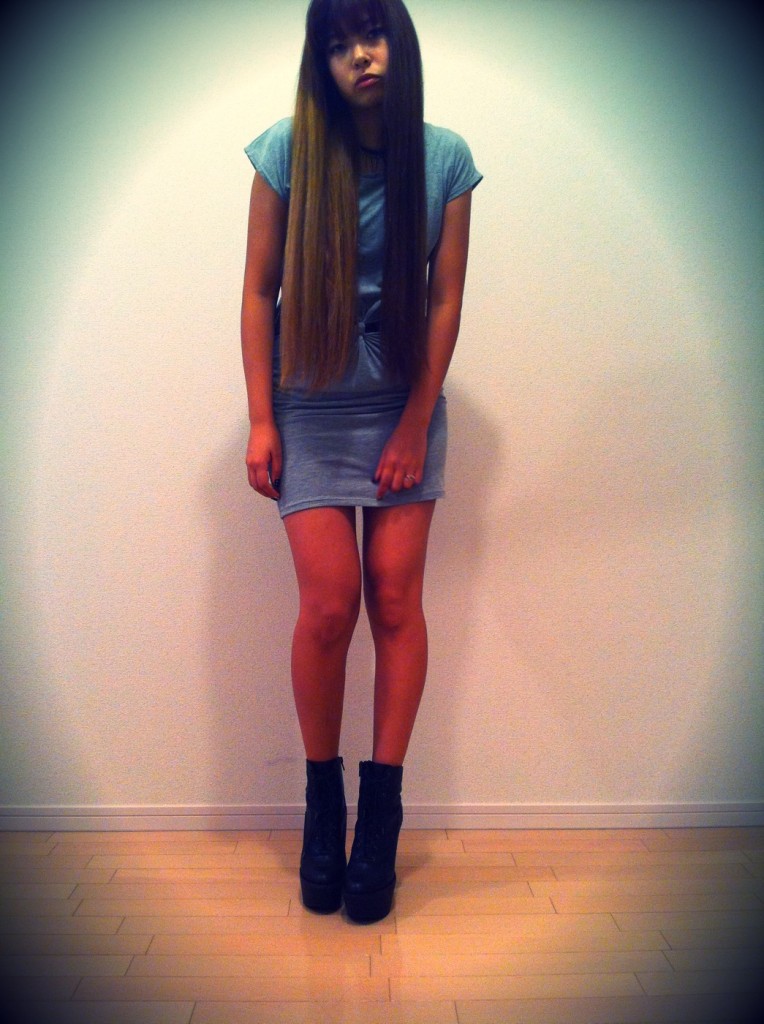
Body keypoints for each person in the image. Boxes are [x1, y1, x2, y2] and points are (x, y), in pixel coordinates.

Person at [241, 0, 481, 923]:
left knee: (393, 599)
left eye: (372, 34)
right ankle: (322, 806)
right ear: (322, 62)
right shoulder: (286, 151)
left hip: (400, 404)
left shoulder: (446, 159)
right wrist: (261, 419)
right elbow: (258, 291)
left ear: (399, 42)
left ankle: (380, 816)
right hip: (308, 402)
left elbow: (446, 300)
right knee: (329, 605)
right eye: (338, 44)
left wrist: (416, 421)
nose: (359, 56)